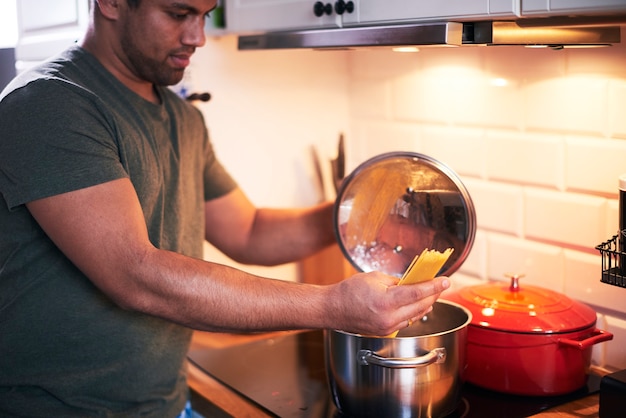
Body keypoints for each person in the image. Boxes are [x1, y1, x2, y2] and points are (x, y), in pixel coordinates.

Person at [0, 0, 450, 416]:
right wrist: (332, 305)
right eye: (179, 14)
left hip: (166, 404)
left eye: (205, 14)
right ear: (112, 3)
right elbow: (134, 275)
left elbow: (248, 231)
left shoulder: (181, 118)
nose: (197, 36)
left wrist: (365, 215)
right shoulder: (51, 104)